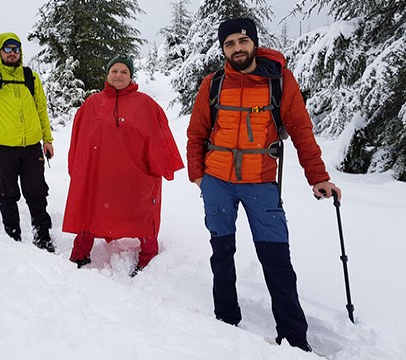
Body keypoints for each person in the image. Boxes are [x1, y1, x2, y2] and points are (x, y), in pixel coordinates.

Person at [186, 18, 343, 352]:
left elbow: (301, 130)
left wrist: (318, 176)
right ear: (223, 49)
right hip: (216, 181)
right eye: (229, 44)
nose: (237, 48)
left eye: (242, 41)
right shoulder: (212, 84)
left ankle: (293, 338)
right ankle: (226, 320)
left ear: (253, 43)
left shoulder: (280, 81)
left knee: (276, 257)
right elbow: (196, 133)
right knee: (222, 251)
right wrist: (198, 174)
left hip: (260, 181)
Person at [63, 56, 184, 276]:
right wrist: (78, 169)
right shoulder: (92, 103)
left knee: (144, 210)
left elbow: (159, 136)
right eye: (114, 71)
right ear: (107, 75)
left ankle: (148, 255)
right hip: (99, 174)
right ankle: (80, 253)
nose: (118, 75)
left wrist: (161, 165)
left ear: (131, 76)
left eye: (124, 72)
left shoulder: (146, 104)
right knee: (90, 208)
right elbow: (79, 140)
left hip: (135, 174)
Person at [0, 32, 55, 252]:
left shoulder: (31, 77)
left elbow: (41, 110)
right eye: (8, 49)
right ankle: (12, 235)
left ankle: (42, 234)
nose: (12, 53)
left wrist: (47, 139)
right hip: (3, 148)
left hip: (31, 147)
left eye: (16, 49)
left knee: (37, 192)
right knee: (7, 193)